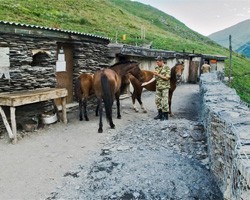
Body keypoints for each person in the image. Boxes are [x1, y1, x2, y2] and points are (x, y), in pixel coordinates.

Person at [141, 56, 171, 120]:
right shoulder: (156, 67)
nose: (157, 63)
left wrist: (158, 75)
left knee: (164, 101)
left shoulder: (167, 68)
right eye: (156, 62)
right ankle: (160, 114)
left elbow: (167, 78)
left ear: (161, 61)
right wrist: (147, 83)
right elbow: (154, 78)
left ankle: (165, 116)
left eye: (158, 62)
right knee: (157, 101)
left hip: (165, 87)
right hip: (158, 87)